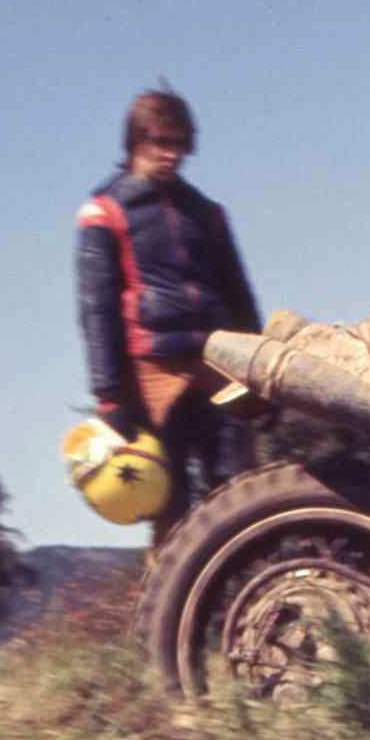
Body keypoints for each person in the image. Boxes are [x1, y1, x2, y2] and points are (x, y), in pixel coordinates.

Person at [76, 86, 263, 544]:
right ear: (135, 142)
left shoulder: (208, 213)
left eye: (179, 144)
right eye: (160, 142)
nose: (171, 155)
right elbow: (96, 310)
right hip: (152, 370)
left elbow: (240, 296)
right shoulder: (104, 212)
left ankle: (253, 582)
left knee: (240, 487)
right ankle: (176, 589)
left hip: (219, 361)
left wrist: (260, 369)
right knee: (168, 503)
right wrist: (109, 397)